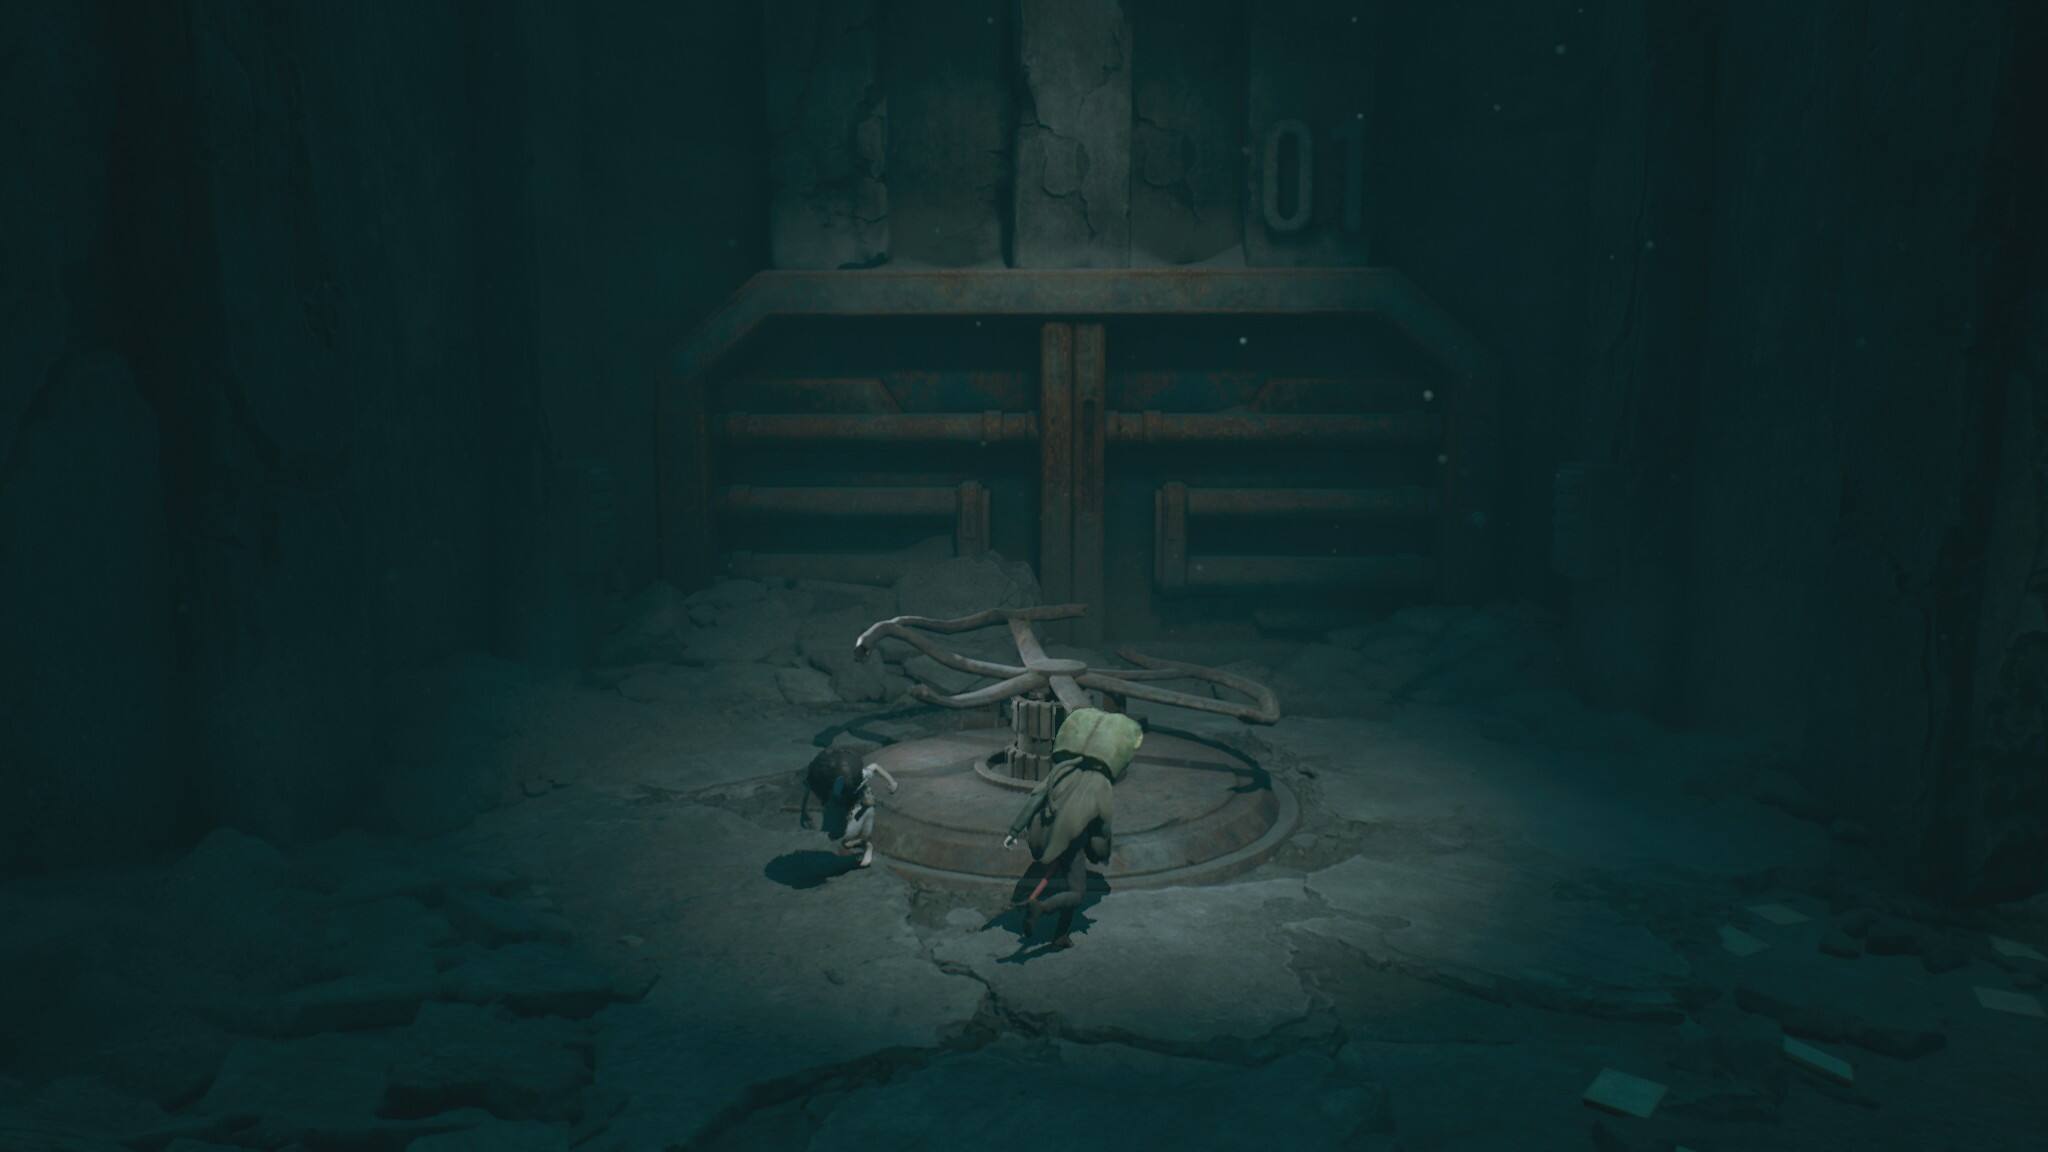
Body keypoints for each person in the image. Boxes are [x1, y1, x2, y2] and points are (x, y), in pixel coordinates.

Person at [1003, 708, 1142, 949]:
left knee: (1064, 878)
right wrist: (1101, 852)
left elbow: (1035, 799)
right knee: (1077, 892)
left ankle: (1061, 935)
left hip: (1045, 833)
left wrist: (1014, 832)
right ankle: (1042, 907)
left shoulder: (1062, 770)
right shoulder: (1101, 784)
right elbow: (1102, 828)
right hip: (1072, 842)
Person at [799, 747, 898, 868]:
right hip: (845, 805)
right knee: (837, 835)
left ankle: (863, 845)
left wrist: (892, 782)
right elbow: (811, 787)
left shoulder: (857, 777)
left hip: (859, 805)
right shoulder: (833, 786)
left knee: (859, 831)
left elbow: (875, 766)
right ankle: (853, 846)